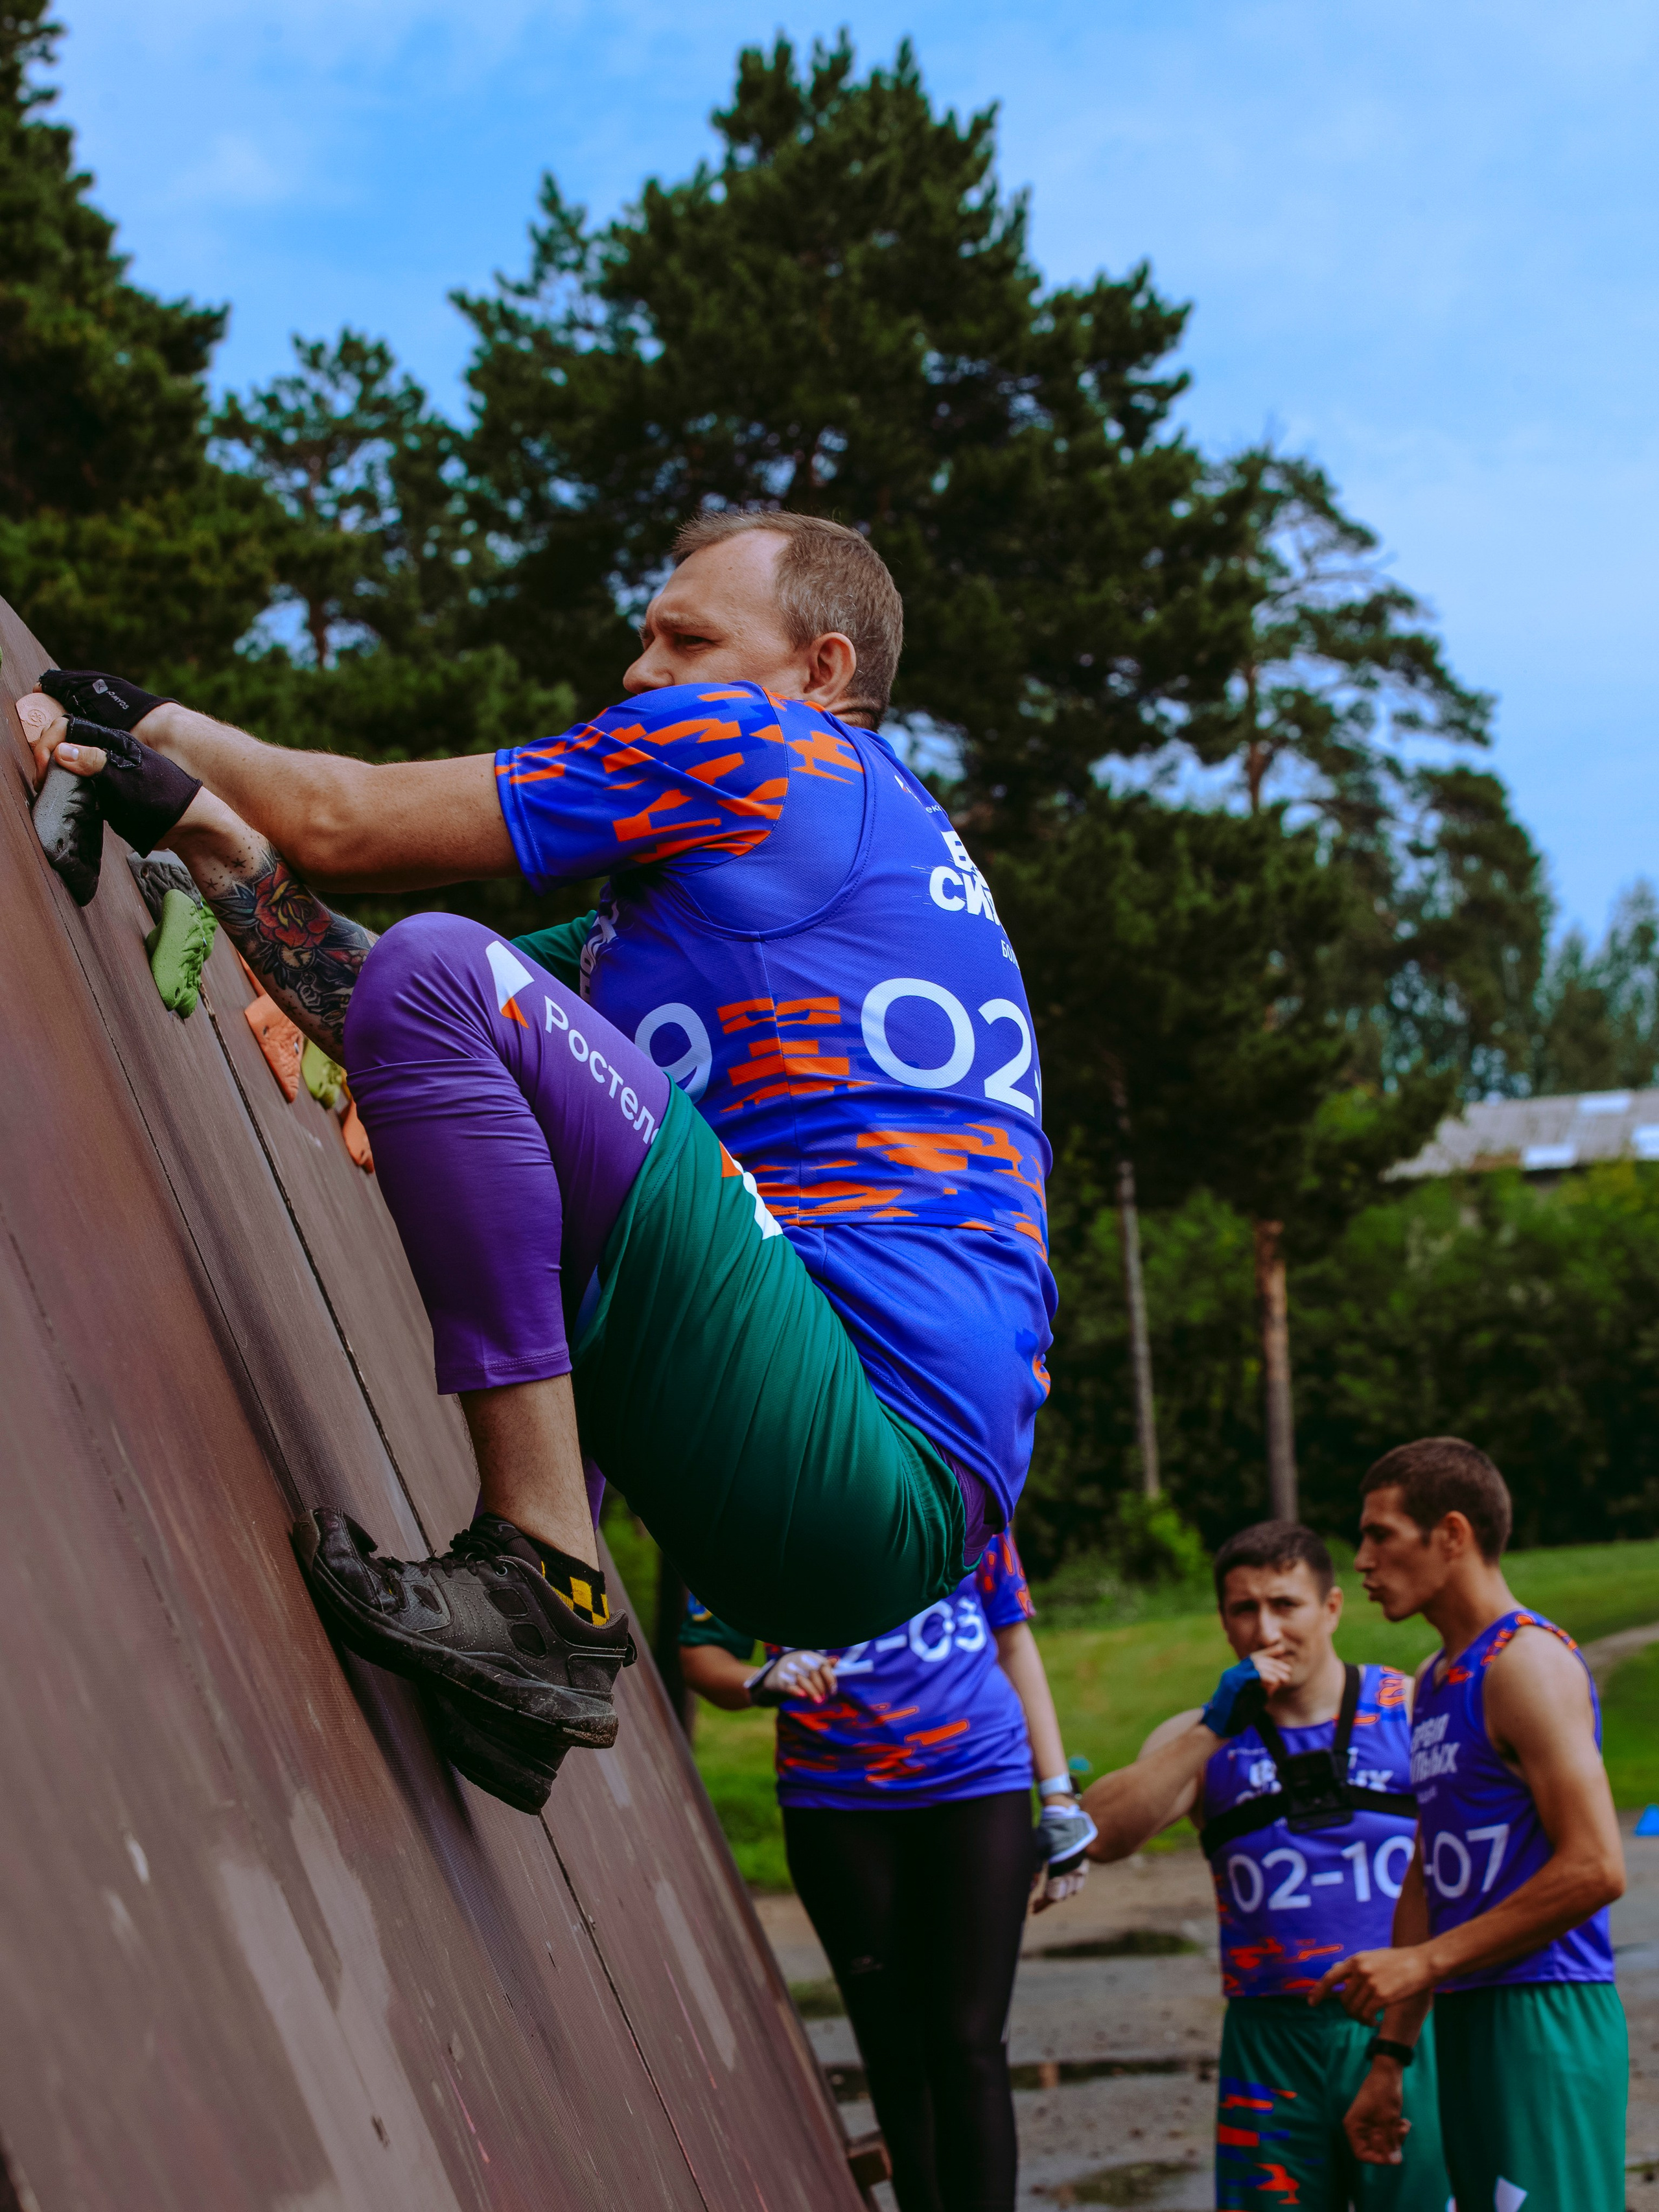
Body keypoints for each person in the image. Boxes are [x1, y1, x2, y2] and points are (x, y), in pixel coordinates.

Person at [21, 511, 1056, 1810]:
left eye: (688, 639)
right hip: (861, 1496)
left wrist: (159, 723)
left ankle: (542, 1580)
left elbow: (348, 825)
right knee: (461, 1011)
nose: (640, 673)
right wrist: (213, 830)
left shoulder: (765, 745)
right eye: (642, 639)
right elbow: (383, 1009)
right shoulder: (773, 886)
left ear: (821, 670)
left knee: (446, 961)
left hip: (861, 1431)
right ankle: (517, 1690)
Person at [679, 1531, 1093, 2212]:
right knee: (896, 2054)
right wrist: (759, 1680)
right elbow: (701, 1655)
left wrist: (1056, 1795)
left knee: (969, 2042)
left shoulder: (960, 1464)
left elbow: (1013, 1639)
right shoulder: (759, 1489)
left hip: (977, 1781)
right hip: (835, 1804)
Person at [1077, 1521, 1449, 2211]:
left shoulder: (1408, 1707)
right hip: (1269, 2041)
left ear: (1331, 1607)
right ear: (1223, 1622)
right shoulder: (1200, 1734)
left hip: (1404, 2026)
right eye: (1243, 1609)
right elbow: (1096, 1835)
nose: (1264, 1627)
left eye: (1285, 1604)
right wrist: (1215, 1726)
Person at [1317, 1438, 1627, 2211]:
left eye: (1379, 1533)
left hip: (1544, 2010)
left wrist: (1424, 1962)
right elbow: (1429, 1872)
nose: (1359, 1559)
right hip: (1464, 2011)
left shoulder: (1527, 1663)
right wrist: (1390, 2055)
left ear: (1450, 1534)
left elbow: (1596, 1866)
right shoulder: (1434, 1679)